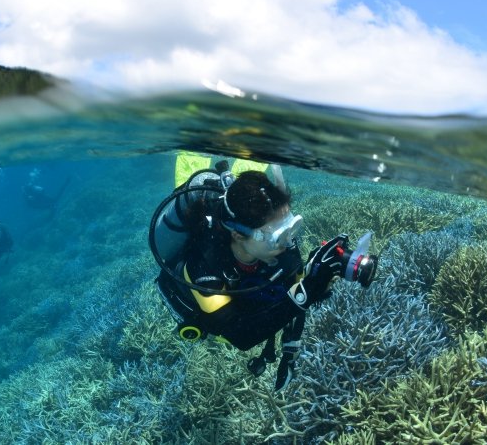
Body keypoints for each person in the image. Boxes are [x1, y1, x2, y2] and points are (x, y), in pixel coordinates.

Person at [150, 156, 377, 392]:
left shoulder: (280, 243)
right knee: (191, 175)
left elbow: (294, 293)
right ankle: (192, 161)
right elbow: (240, 336)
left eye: (291, 226)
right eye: (279, 234)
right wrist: (307, 291)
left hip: (250, 281)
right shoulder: (204, 266)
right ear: (238, 235)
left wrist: (290, 350)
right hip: (208, 313)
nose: (288, 241)